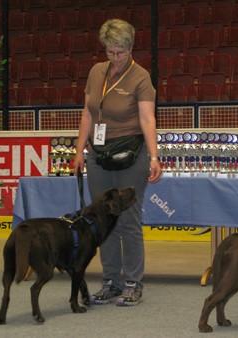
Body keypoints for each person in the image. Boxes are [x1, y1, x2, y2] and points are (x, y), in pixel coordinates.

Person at [73, 18, 161, 307]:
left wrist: (155, 156)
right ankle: (111, 281)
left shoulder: (141, 77)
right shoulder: (96, 72)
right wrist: (79, 151)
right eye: (110, 52)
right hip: (98, 155)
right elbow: (88, 113)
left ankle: (134, 283)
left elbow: (148, 119)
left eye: (120, 52)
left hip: (131, 157)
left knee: (129, 220)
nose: (115, 58)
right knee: (101, 218)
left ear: (130, 48)